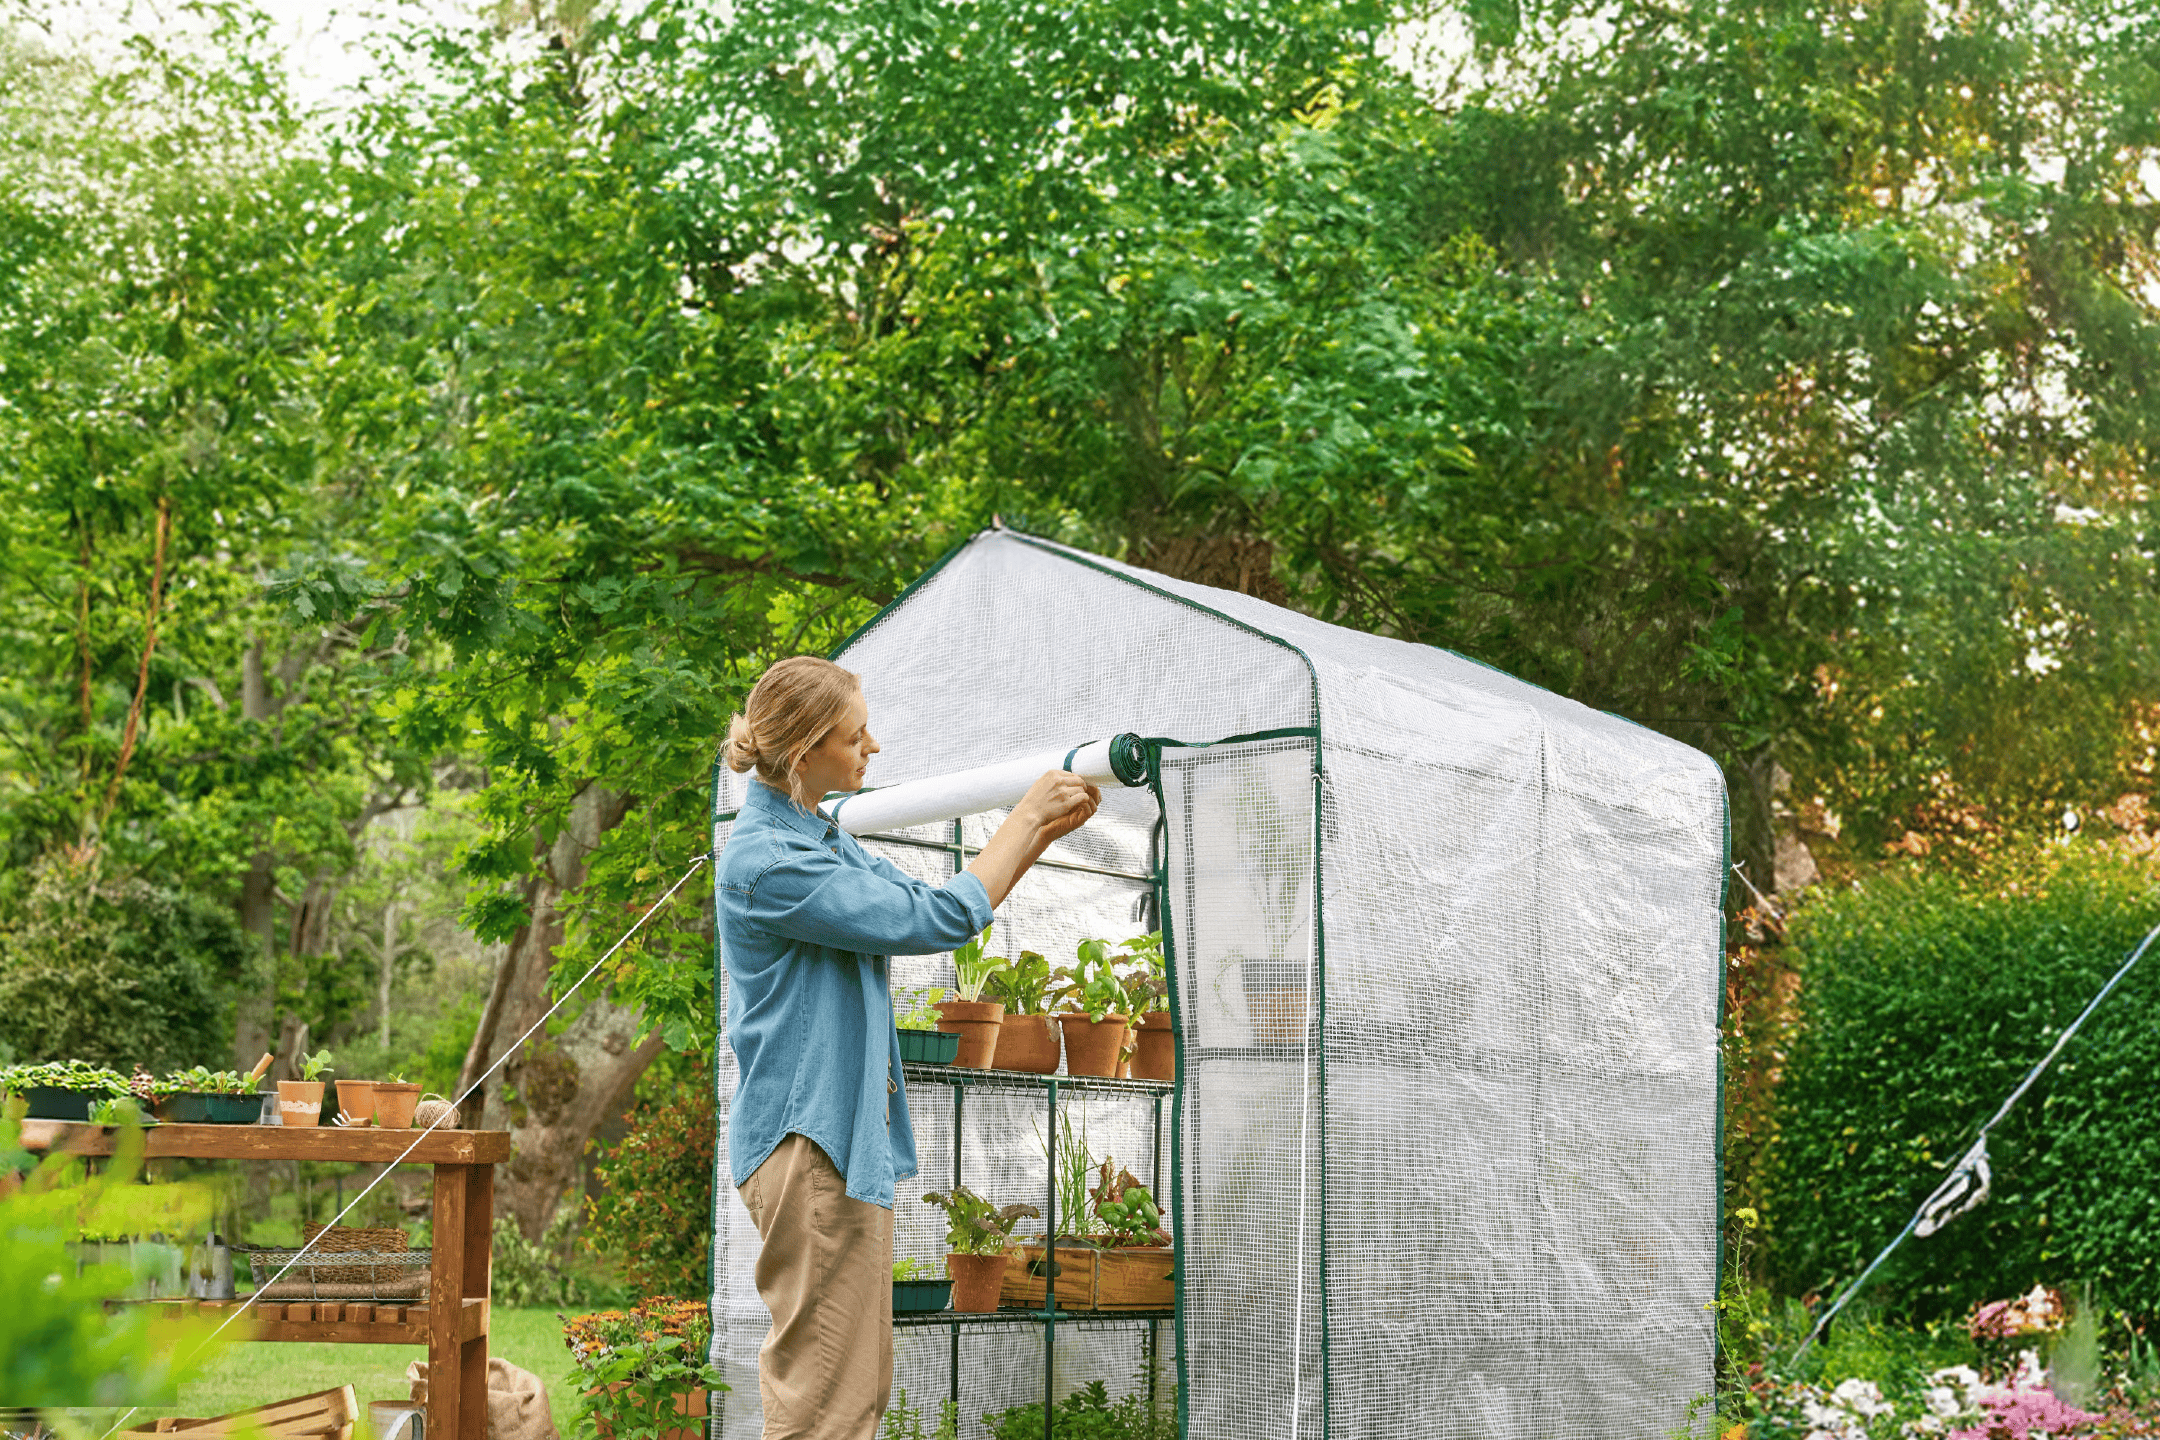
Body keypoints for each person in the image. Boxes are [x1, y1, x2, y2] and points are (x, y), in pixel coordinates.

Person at [717, 655, 1099, 1439]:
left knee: (853, 1389)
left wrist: (1037, 834)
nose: (874, 747)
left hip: (830, 1142)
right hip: (809, 1144)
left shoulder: (817, 837)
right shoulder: (772, 863)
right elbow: (933, 923)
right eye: (855, 735)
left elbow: (931, 902)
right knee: (826, 1403)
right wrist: (1025, 816)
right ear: (804, 753)